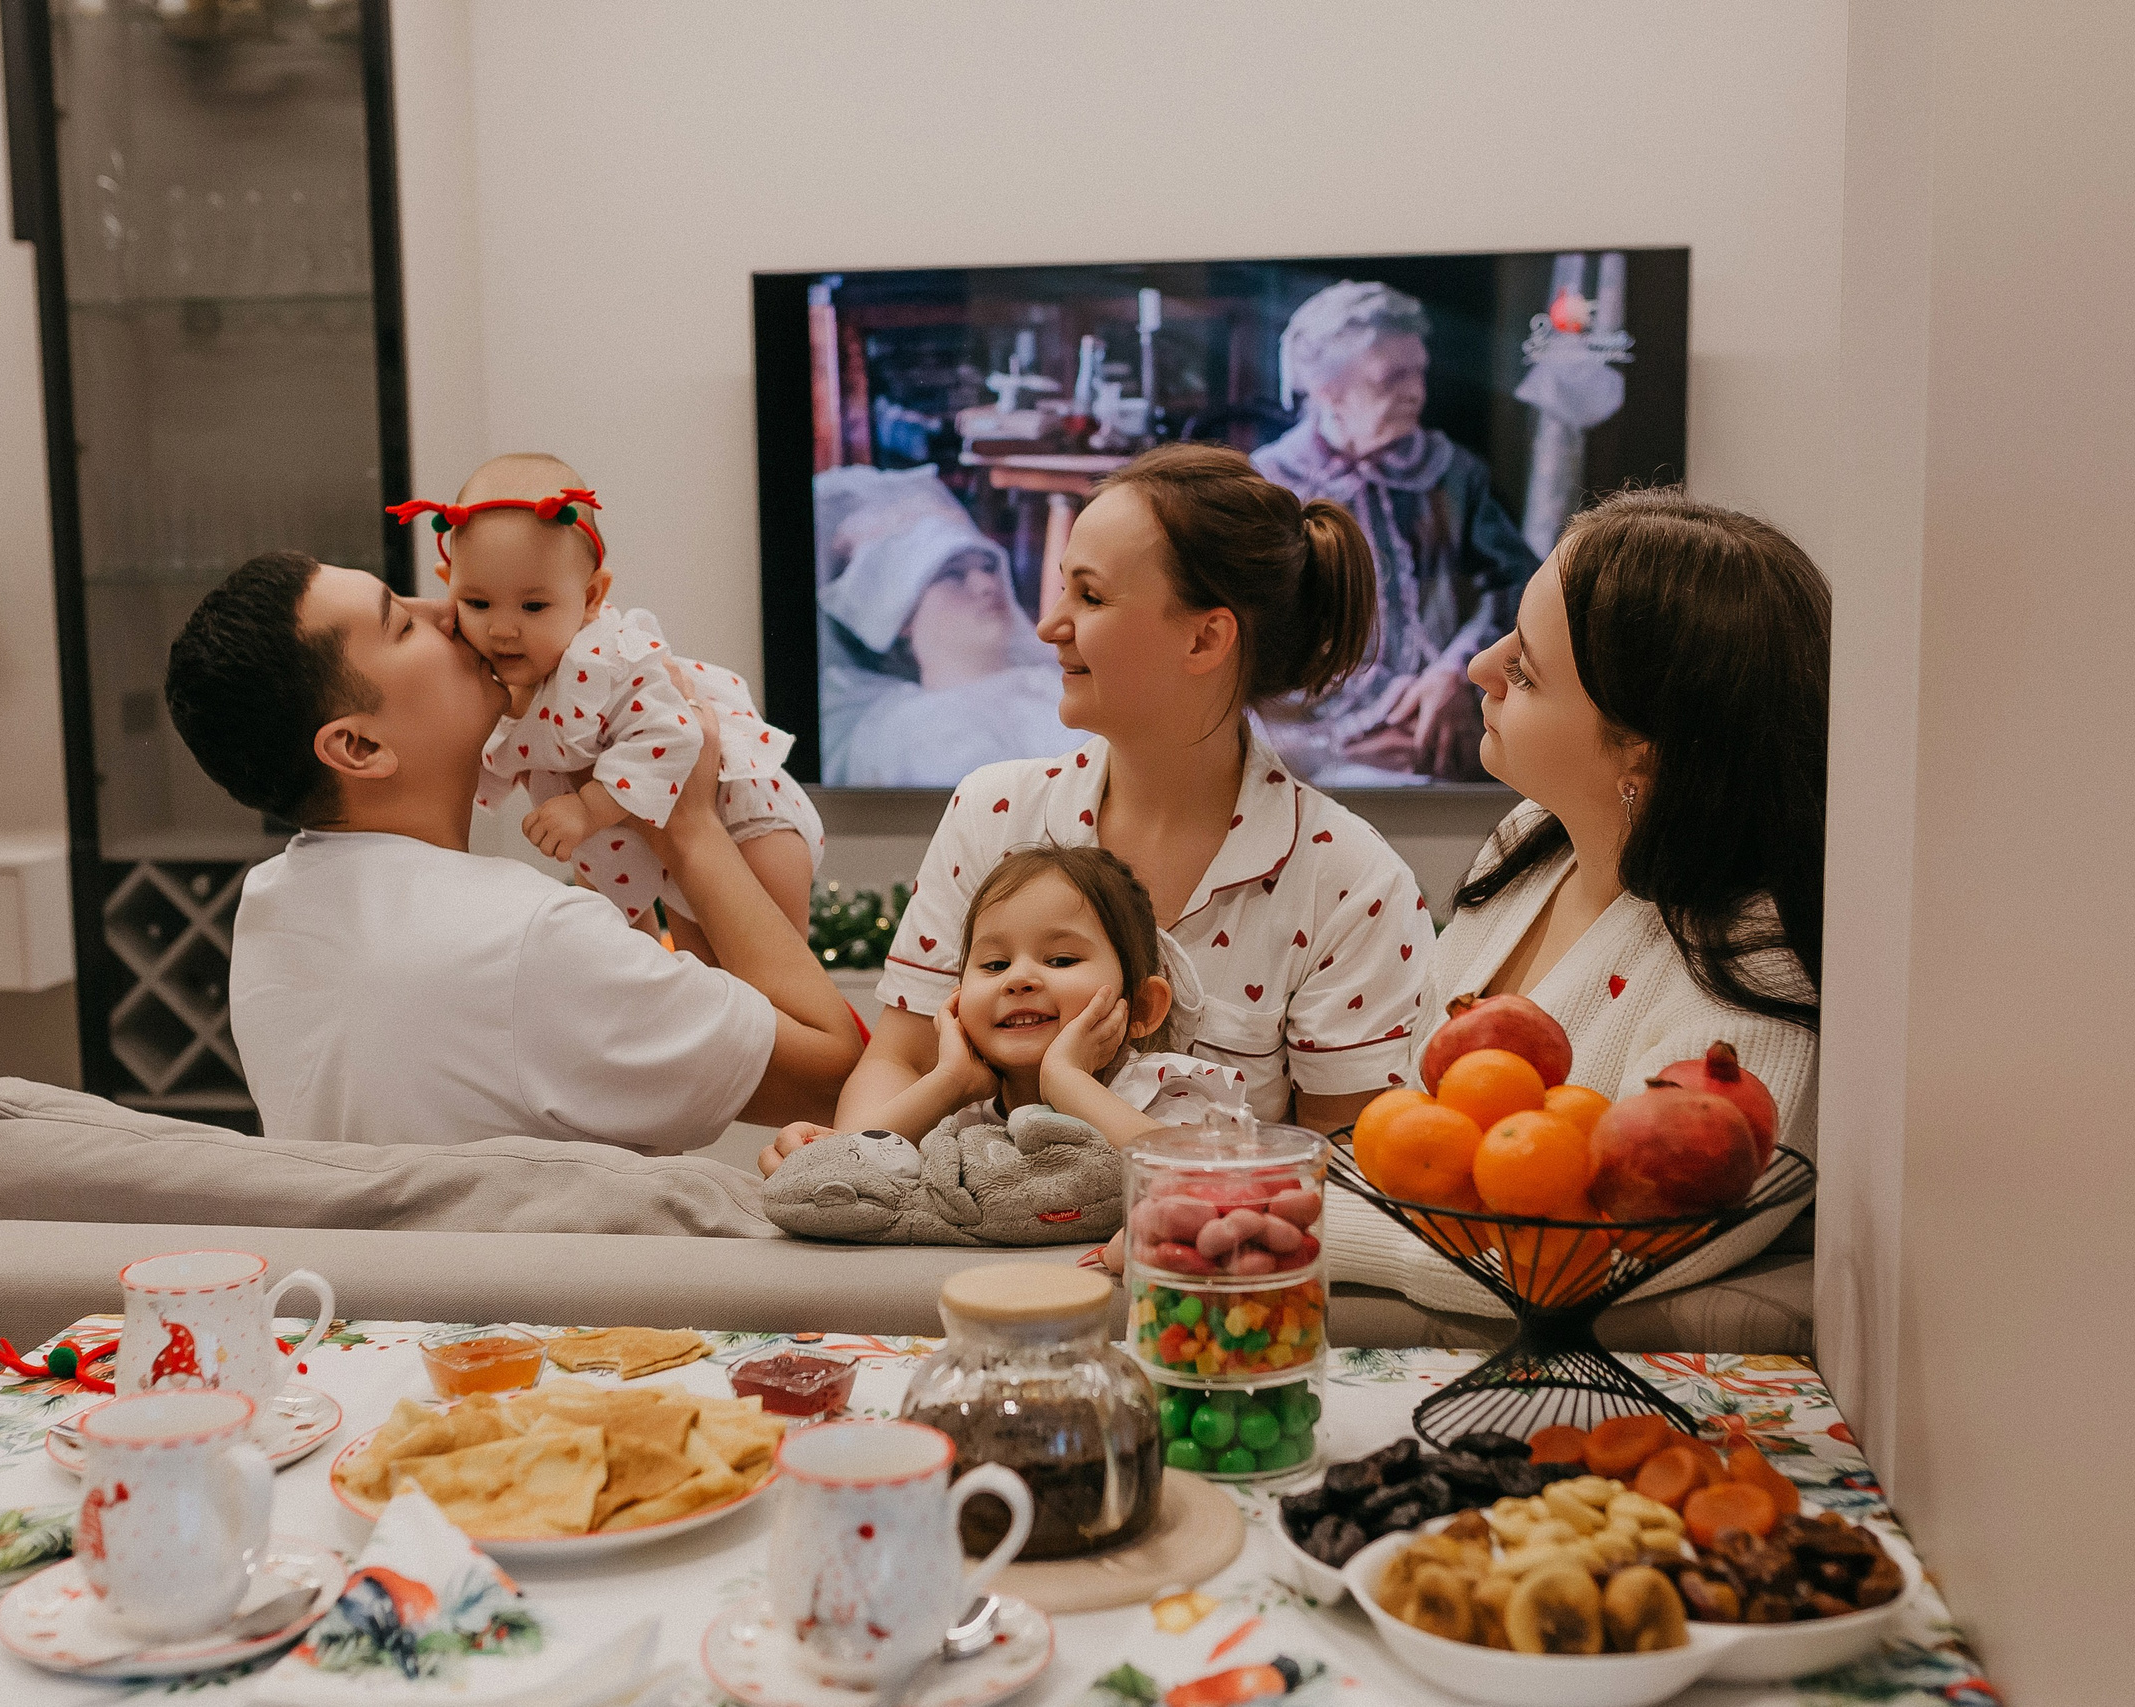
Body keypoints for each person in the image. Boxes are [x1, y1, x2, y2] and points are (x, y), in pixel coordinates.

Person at [766, 442, 1439, 1175]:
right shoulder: (992, 813)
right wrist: (846, 1172)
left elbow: (1342, 1167)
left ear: (1205, 636)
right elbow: (899, 1059)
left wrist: (1169, 1232)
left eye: (1088, 595)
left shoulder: (1349, 880)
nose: (1049, 625)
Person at [161, 551, 863, 1151]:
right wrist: (688, 822)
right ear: (359, 746)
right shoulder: (531, 944)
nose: (448, 613)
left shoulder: (270, 907)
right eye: (402, 624)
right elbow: (839, 1076)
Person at [1329, 488, 1830, 1311]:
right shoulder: (1529, 841)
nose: (1478, 667)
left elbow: (1588, 1259)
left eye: (1523, 669)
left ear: (1643, 752)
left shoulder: (1752, 963)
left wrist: (1290, 1226)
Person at [403, 452, 824, 954]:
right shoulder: (494, 679)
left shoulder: (607, 664)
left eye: (534, 606)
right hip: (662, 855)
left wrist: (587, 808)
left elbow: (677, 735)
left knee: (768, 989)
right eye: (476, 603)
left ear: (592, 597)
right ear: (447, 587)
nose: (502, 628)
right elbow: (486, 762)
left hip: (748, 830)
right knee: (704, 990)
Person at [1250, 280, 1542, 785]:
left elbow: (1520, 586)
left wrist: (1454, 671)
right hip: (1314, 723)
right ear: (1327, 389)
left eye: (1420, 372)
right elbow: (1264, 629)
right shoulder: (1268, 484)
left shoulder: (1451, 471)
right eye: (1393, 377)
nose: (1417, 392)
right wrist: (1381, 707)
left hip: (1454, 704)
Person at [846, 845, 1244, 1147]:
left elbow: (1197, 1178)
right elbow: (831, 1169)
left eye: (1060, 959)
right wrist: (949, 1080)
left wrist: (1066, 1080)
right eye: (995, 965)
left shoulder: (1167, 1089)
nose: (1018, 979)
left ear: (1141, 1006)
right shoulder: (959, 1110)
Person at [813, 464, 1073, 787]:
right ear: (902, 617)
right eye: (952, 574)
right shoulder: (921, 729)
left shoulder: (1056, 683)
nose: (986, 584)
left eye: (989, 567)